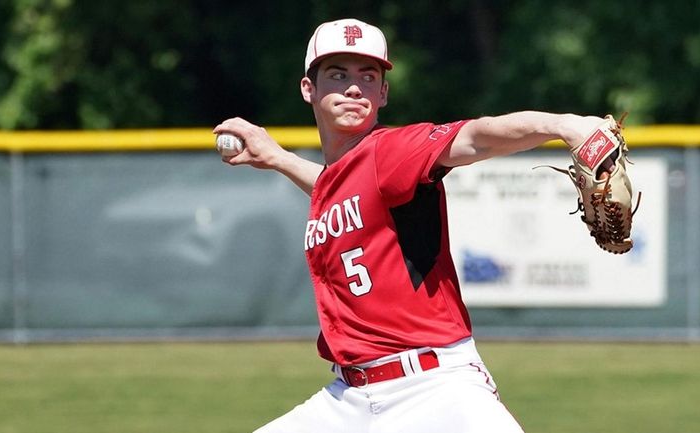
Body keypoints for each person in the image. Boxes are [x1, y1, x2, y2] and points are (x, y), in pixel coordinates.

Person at [214, 18, 609, 433]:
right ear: (308, 88)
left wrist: (565, 125)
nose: (354, 87)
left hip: (435, 390)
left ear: (383, 92)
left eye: (368, 76)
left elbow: (477, 137)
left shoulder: (391, 151)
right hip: (348, 398)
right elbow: (343, 192)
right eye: (338, 74)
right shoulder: (347, 178)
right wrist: (278, 158)